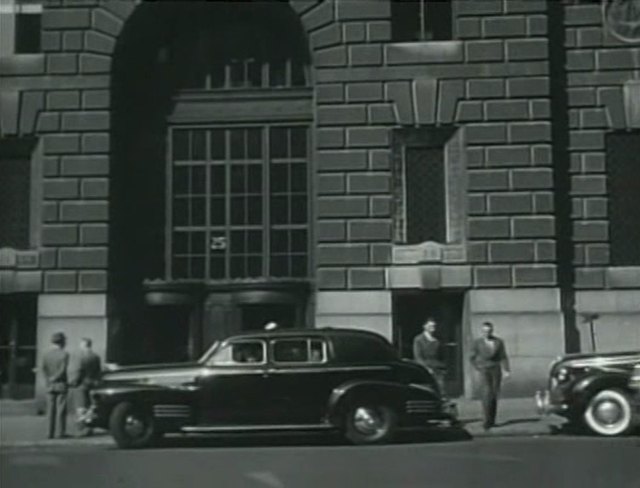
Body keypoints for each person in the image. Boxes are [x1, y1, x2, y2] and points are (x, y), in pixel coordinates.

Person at [470, 321, 511, 430]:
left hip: (495, 370)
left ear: (492, 331)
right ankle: (486, 421)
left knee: (494, 394)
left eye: (488, 331)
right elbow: (472, 357)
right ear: (482, 332)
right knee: (486, 394)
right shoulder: (477, 343)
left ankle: (492, 419)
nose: (486, 333)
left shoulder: (498, 342)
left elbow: (503, 356)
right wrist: (478, 367)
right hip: (484, 370)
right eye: (484, 331)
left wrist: (506, 370)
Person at [71, 338, 102, 436]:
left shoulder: (81, 357)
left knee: (81, 406)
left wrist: (74, 382)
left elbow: (79, 371)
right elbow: (98, 371)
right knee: (90, 407)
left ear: (83, 345)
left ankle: (82, 428)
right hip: (92, 383)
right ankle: (90, 427)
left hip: (82, 384)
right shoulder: (96, 357)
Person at [41, 332, 69, 439]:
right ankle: (60, 432)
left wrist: (48, 379)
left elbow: (43, 368)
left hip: (49, 385)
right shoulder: (64, 354)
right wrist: (56, 378)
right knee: (61, 409)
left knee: (50, 410)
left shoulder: (46, 354)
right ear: (62, 342)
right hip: (61, 384)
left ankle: (49, 432)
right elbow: (63, 369)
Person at [413, 318, 447, 395]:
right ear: (424, 327)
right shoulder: (418, 339)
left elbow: (442, 355)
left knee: (441, 390)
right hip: (426, 369)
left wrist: (443, 367)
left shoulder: (437, 339)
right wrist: (426, 368)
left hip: (438, 369)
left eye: (434, 326)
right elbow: (418, 356)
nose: (433, 328)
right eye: (430, 326)